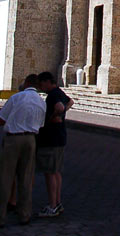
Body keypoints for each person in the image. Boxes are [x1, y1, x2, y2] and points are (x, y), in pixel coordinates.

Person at [0, 74, 46, 228]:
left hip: (13, 139)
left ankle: (0, 217)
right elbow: (40, 125)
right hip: (31, 140)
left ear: (27, 82)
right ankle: (24, 215)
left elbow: (0, 120)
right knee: (26, 178)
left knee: (6, 177)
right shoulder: (42, 102)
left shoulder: (17, 97)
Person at [36, 72, 74, 218]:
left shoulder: (52, 95)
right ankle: (57, 203)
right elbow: (70, 102)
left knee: (50, 173)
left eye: (41, 84)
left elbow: (59, 107)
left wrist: (55, 116)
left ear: (47, 82)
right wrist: (61, 115)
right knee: (56, 171)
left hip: (51, 138)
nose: (40, 87)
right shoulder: (59, 91)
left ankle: (52, 205)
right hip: (60, 137)